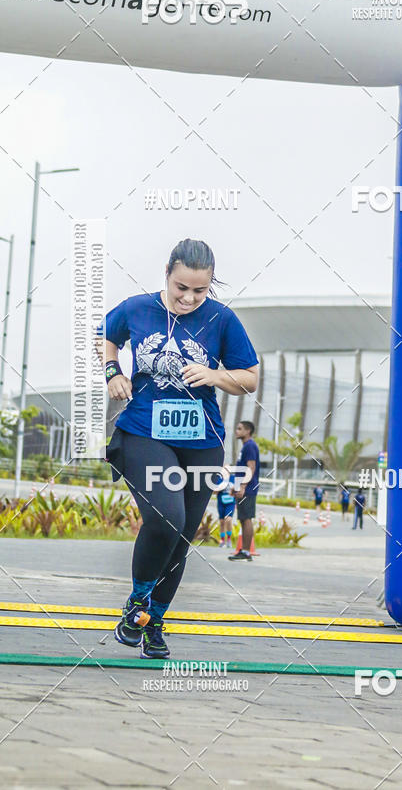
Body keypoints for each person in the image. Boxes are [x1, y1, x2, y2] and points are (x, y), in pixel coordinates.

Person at [102, 239, 258, 658]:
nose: (189, 298)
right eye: (181, 288)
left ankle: (153, 621)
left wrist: (215, 375)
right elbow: (106, 335)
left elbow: (250, 378)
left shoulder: (222, 319)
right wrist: (113, 372)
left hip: (202, 442)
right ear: (167, 274)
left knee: (182, 535)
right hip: (144, 433)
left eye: (199, 291)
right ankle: (137, 601)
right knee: (166, 516)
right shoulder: (136, 308)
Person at [229, 421, 260, 561]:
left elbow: (251, 468)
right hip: (242, 488)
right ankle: (244, 551)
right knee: (242, 518)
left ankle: (247, 552)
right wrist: (235, 487)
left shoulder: (250, 446)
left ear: (248, 431)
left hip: (248, 489)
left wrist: (242, 486)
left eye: (239, 428)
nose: (237, 431)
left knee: (246, 518)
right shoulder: (245, 447)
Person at [216, 469, 236, 548]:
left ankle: (229, 539)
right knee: (222, 522)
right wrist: (219, 488)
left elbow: (237, 490)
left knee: (228, 519)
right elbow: (214, 491)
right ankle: (222, 541)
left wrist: (233, 490)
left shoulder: (233, 478)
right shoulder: (219, 479)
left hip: (231, 503)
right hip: (221, 502)